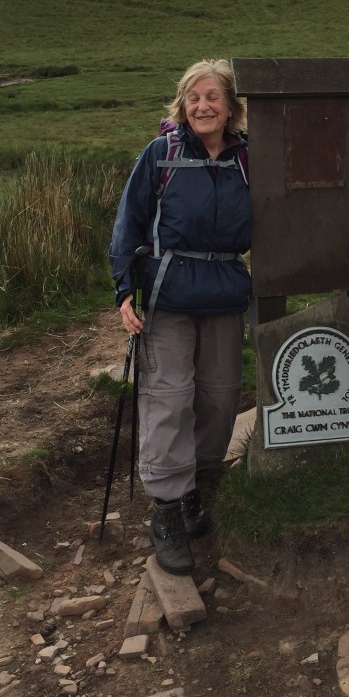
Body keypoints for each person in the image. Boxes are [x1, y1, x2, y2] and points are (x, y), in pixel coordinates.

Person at [109, 59, 251, 575]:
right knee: (168, 395)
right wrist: (125, 290)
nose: (202, 107)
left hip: (225, 291)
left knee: (219, 393)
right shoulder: (161, 155)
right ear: (182, 105)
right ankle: (167, 509)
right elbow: (130, 221)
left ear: (231, 107)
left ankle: (197, 486)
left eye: (213, 97)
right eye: (194, 98)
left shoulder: (246, 160)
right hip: (168, 295)